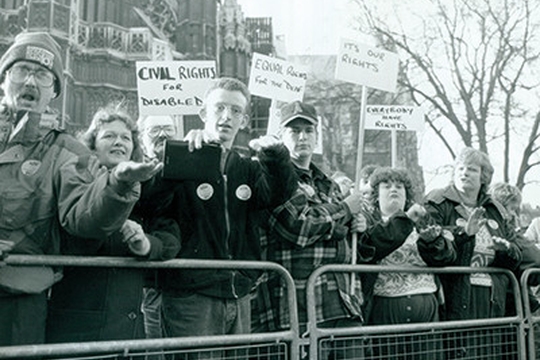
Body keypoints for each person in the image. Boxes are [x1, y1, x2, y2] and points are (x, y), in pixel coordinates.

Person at [0, 31, 161, 346]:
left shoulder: (66, 151)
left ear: (55, 92)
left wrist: (118, 185)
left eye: (43, 76)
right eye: (22, 70)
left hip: (18, 300)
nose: (31, 82)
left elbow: (84, 216)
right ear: (4, 78)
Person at [159, 77, 297, 345]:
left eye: (235, 111)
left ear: (244, 121)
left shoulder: (247, 167)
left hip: (238, 291)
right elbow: (153, 203)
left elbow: (279, 193)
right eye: (219, 108)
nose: (226, 117)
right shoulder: (184, 159)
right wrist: (180, 157)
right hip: (193, 295)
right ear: (203, 114)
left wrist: (275, 155)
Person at [46, 105, 179, 343]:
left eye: (126, 138)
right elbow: (78, 231)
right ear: (92, 144)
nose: (119, 142)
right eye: (109, 136)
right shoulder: (76, 177)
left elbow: (170, 235)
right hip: (79, 325)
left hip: (128, 331)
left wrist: (146, 244)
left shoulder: (145, 187)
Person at [256, 100, 367, 359]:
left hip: (343, 301)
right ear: (282, 136)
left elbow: (327, 226)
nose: (302, 137)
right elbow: (299, 228)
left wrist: (353, 226)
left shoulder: (330, 184)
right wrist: (345, 212)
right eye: (294, 131)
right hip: (297, 304)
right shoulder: (274, 178)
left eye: (308, 130)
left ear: (317, 135)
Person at [421, 147, 522, 359]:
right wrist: (464, 234)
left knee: (489, 353)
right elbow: (434, 252)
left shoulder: (495, 209)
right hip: (455, 295)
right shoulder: (437, 202)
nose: (464, 173)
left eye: (472, 169)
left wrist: (505, 250)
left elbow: (516, 253)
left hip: (493, 297)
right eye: (460, 168)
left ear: (484, 176)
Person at [361, 167, 451, 359]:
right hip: (385, 309)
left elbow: (445, 257)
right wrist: (405, 220)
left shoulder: (423, 219)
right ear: (376, 194)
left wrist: (432, 242)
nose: (394, 189)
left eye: (399, 186)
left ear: (407, 193)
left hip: (426, 308)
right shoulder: (368, 222)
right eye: (387, 186)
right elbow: (375, 245)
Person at [136, 114, 178, 341]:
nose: (162, 134)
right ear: (142, 139)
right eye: (154, 130)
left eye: (168, 129)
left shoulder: (188, 166)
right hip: (151, 281)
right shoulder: (136, 169)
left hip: (182, 281)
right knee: (154, 345)